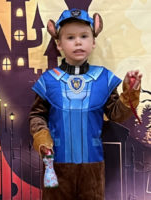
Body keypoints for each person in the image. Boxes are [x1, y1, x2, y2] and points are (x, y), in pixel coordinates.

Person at [29, 8, 142, 199]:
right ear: (59, 44)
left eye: (84, 36)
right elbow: (37, 115)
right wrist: (41, 137)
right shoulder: (48, 80)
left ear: (94, 42)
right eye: (70, 37)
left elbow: (116, 114)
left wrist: (129, 94)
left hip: (93, 166)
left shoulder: (103, 78)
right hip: (57, 165)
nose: (78, 42)